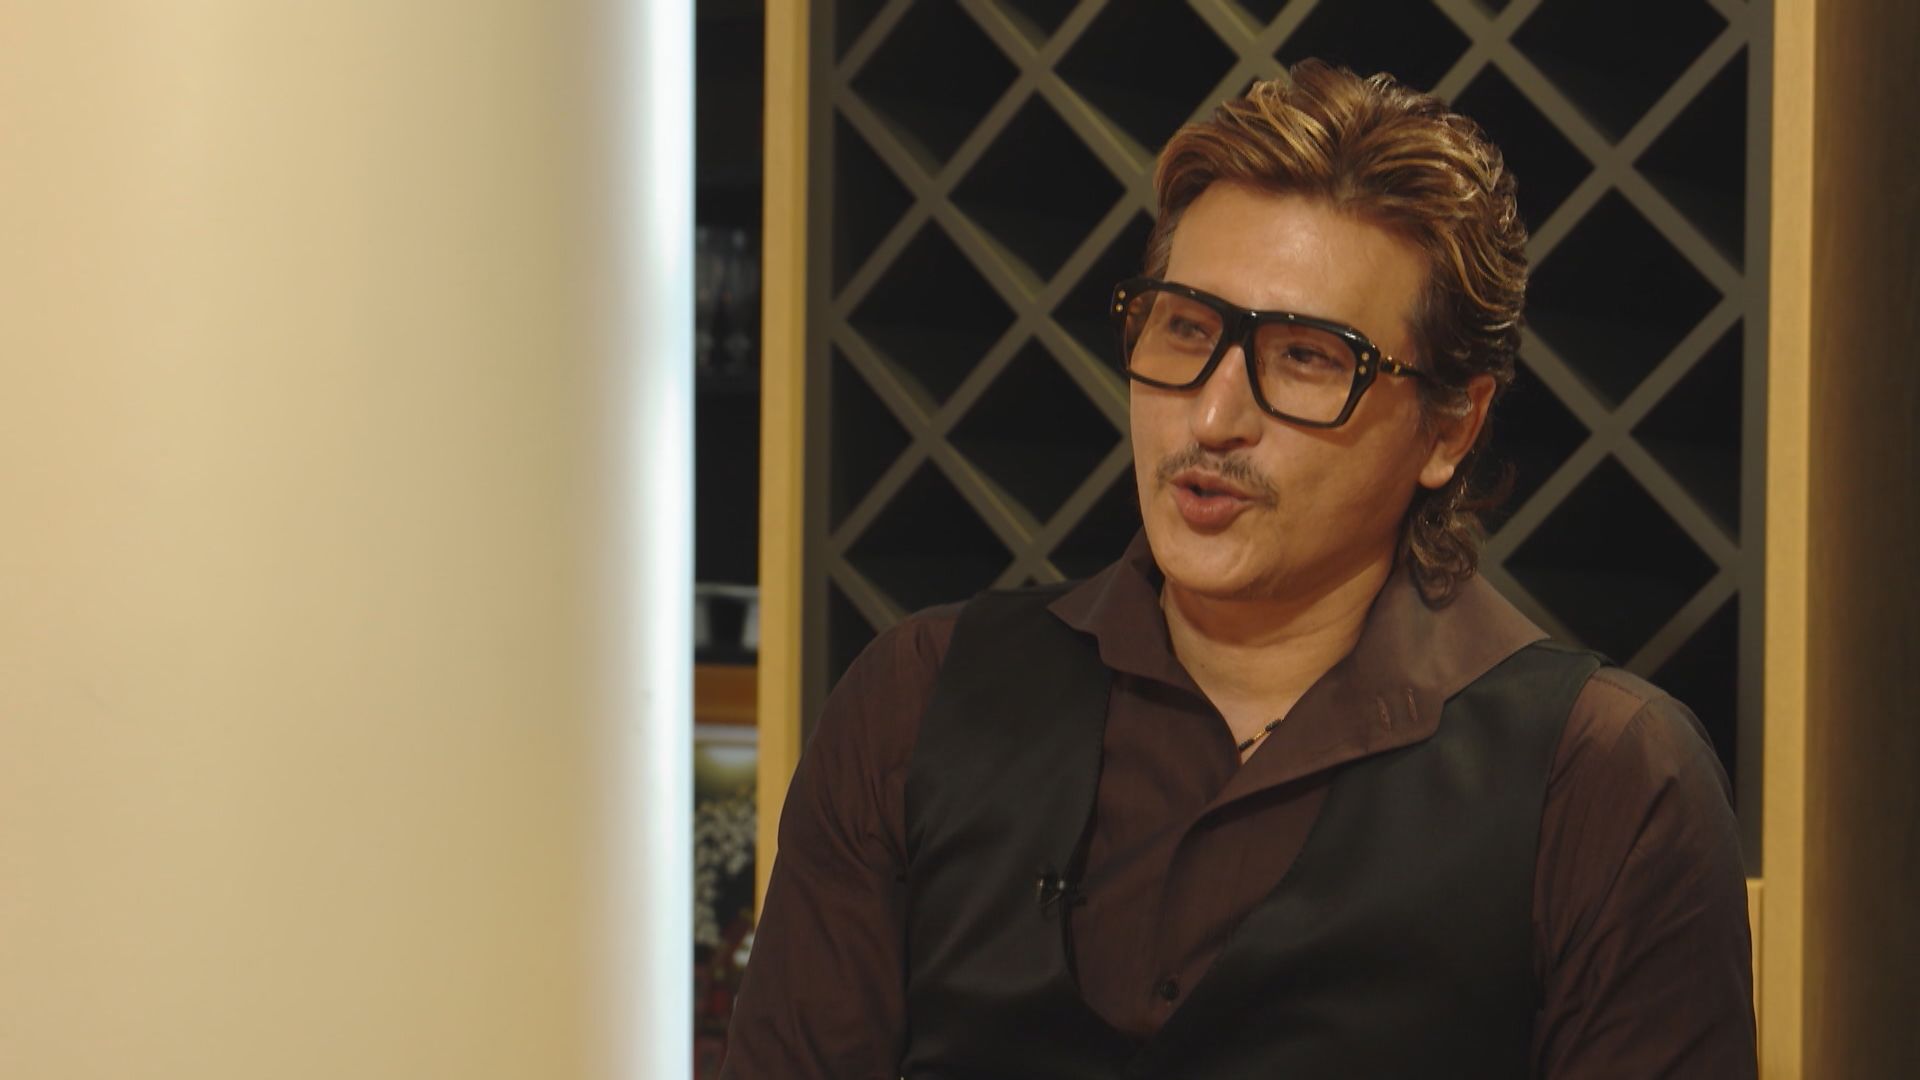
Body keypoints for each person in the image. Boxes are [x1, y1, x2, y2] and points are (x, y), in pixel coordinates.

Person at [721, 61, 1756, 1078]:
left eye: (1306, 356)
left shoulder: (1606, 781)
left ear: (1450, 426)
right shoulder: (917, 701)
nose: (1213, 418)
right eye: (1185, 330)